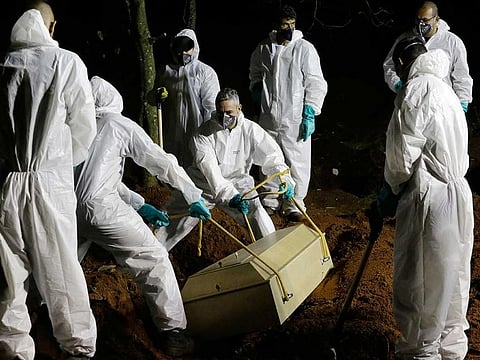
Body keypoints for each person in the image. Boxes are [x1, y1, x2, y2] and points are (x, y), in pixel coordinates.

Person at [75, 76, 211, 357]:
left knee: (65, 266)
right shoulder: (118, 124)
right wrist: (193, 195)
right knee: (153, 258)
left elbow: (98, 180)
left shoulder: (79, 129)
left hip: (69, 211)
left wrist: (139, 204)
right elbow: (160, 161)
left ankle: (39, 314)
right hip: (103, 210)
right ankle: (173, 331)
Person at [0, 2, 97, 359]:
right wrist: (59, 164)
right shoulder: (65, 63)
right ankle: (78, 348)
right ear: (51, 26)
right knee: (61, 273)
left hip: (8, 184)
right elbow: (84, 128)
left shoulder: (4, 65)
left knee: (10, 277)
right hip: (47, 184)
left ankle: (14, 350)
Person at [380, 36, 474, 359]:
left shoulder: (416, 90)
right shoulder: (446, 89)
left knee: (420, 283)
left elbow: (403, 153)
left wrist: (390, 186)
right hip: (459, 196)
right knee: (453, 282)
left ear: (405, 64)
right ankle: (451, 351)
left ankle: (421, 353)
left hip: (430, 198)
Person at [156, 88, 295, 251]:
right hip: (203, 186)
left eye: (229, 112)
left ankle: (273, 256)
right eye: (220, 112)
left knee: (257, 214)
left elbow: (273, 157)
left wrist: (284, 179)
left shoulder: (251, 130)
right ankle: (146, 255)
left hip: (239, 183)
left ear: (239, 108)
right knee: (167, 223)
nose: (224, 117)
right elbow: (211, 173)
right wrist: (231, 196)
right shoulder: (203, 135)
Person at [249, 4, 328, 222]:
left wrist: (310, 111)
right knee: (269, 157)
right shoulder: (264, 48)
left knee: (297, 161)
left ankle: (294, 202)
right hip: (269, 117)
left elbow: (315, 82)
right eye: (285, 25)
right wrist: (257, 93)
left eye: (292, 25)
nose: (289, 29)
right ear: (276, 26)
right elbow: (255, 74)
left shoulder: (304, 49)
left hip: (294, 118)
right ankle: (271, 199)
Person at [383, 1, 473, 112]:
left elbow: (461, 75)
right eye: (418, 20)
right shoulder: (406, 39)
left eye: (425, 20)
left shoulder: (452, 42)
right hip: (411, 103)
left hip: (442, 105)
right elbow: (389, 65)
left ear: (436, 19)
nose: (421, 24)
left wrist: (462, 102)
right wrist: (397, 84)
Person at [151, 28, 220, 167]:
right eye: (179, 49)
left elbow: (211, 106)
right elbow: (151, 98)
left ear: (194, 48)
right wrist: (156, 94)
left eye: (186, 49)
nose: (183, 53)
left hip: (196, 128)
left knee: (197, 168)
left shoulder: (204, 72)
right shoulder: (166, 71)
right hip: (171, 130)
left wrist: (208, 134)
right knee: (172, 168)